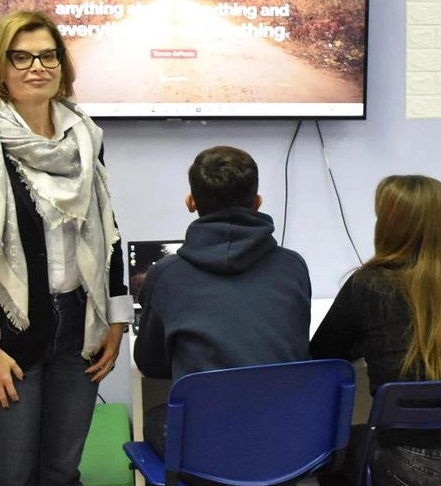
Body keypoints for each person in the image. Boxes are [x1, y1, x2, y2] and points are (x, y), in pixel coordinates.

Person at [0, 10, 131, 486]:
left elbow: (106, 230)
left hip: (81, 329)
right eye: (20, 57)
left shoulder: (86, 137)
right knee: (14, 473)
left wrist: (117, 317)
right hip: (9, 336)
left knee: (62, 470)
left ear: (62, 64)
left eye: (47, 55)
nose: (36, 67)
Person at [311, 175, 441, 486]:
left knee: (334, 453)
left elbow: (323, 354)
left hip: (411, 463)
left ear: (388, 226)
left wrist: (368, 342)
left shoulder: (367, 284)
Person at [133, 145, 312, 455]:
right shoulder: (293, 266)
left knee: (153, 418)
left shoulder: (166, 274)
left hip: (204, 450)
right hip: (285, 444)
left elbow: (150, 364)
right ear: (257, 203)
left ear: (191, 202)